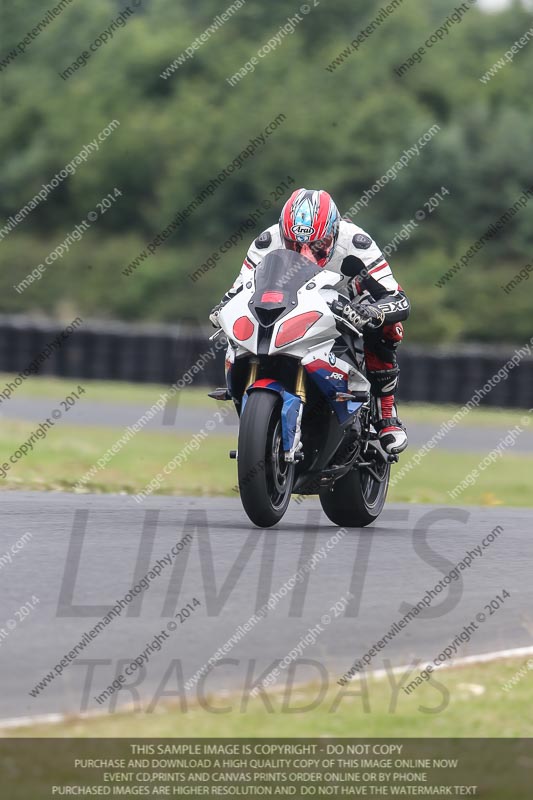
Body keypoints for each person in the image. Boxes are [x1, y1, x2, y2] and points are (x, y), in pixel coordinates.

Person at [210, 188, 410, 454]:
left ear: (334, 231)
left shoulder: (356, 241)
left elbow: (397, 297)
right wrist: (223, 308)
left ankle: (386, 413)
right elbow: (240, 289)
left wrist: (372, 313)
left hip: (348, 303)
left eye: (318, 245)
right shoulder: (268, 240)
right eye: (295, 245)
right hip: (292, 305)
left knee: (389, 327)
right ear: (283, 232)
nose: (306, 254)